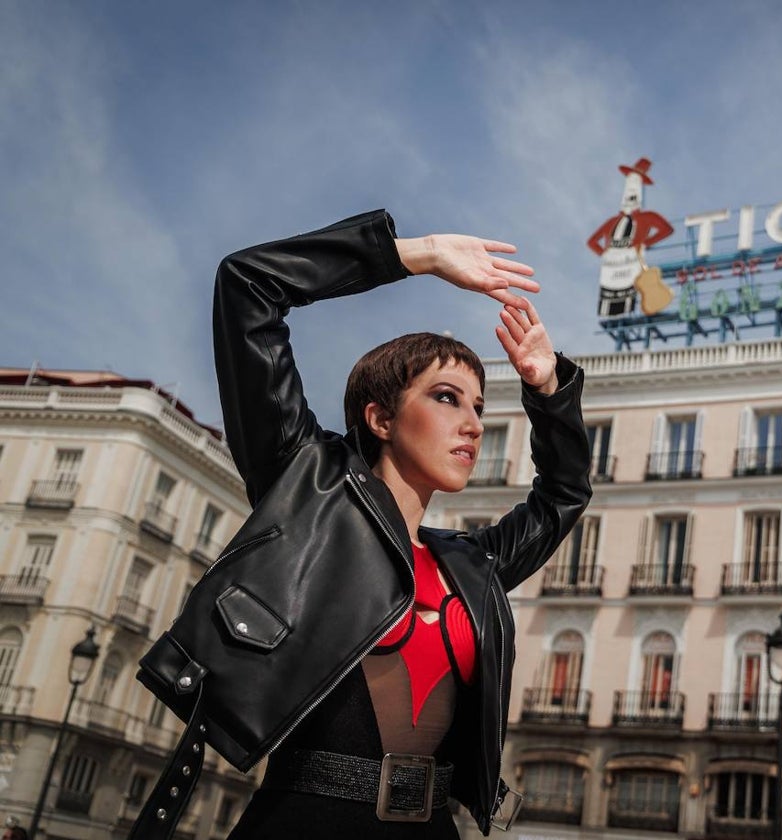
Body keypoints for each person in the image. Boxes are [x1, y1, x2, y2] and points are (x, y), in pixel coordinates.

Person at [138, 210, 591, 840]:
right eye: (445, 397)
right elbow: (247, 285)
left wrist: (546, 389)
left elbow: (563, 495)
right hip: (304, 824)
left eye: (480, 407)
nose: (473, 424)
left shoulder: (471, 566)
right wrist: (419, 254)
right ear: (380, 419)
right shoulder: (308, 490)